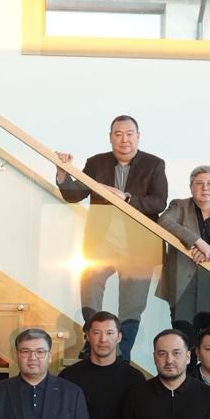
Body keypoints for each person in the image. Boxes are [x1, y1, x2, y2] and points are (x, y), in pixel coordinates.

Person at [55, 115, 168, 361]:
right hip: (102, 245)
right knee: (89, 285)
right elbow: (75, 195)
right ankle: (91, 340)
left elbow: (159, 202)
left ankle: (122, 354)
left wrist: (126, 198)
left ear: (138, 136)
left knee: (132, 305)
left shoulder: (154, 164)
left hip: (138, 248)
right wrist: (63, 174)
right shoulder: (96, 163)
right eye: (118, 134)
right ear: (110, 137)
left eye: (129, 133)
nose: (124, 139)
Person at [155, 165, 210, 339]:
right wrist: (198, 242)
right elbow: (163, 222)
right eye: (199, 183)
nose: (205, 188)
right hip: (183, 289)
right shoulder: (179, 206)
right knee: (185, 341)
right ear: (191, 187)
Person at [59, 312, 145, 419]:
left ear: (119, 337)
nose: (103, 339)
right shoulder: (69, 376)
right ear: (87, 336)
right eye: (97, 333)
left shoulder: (134, 378)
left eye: (109, 333)